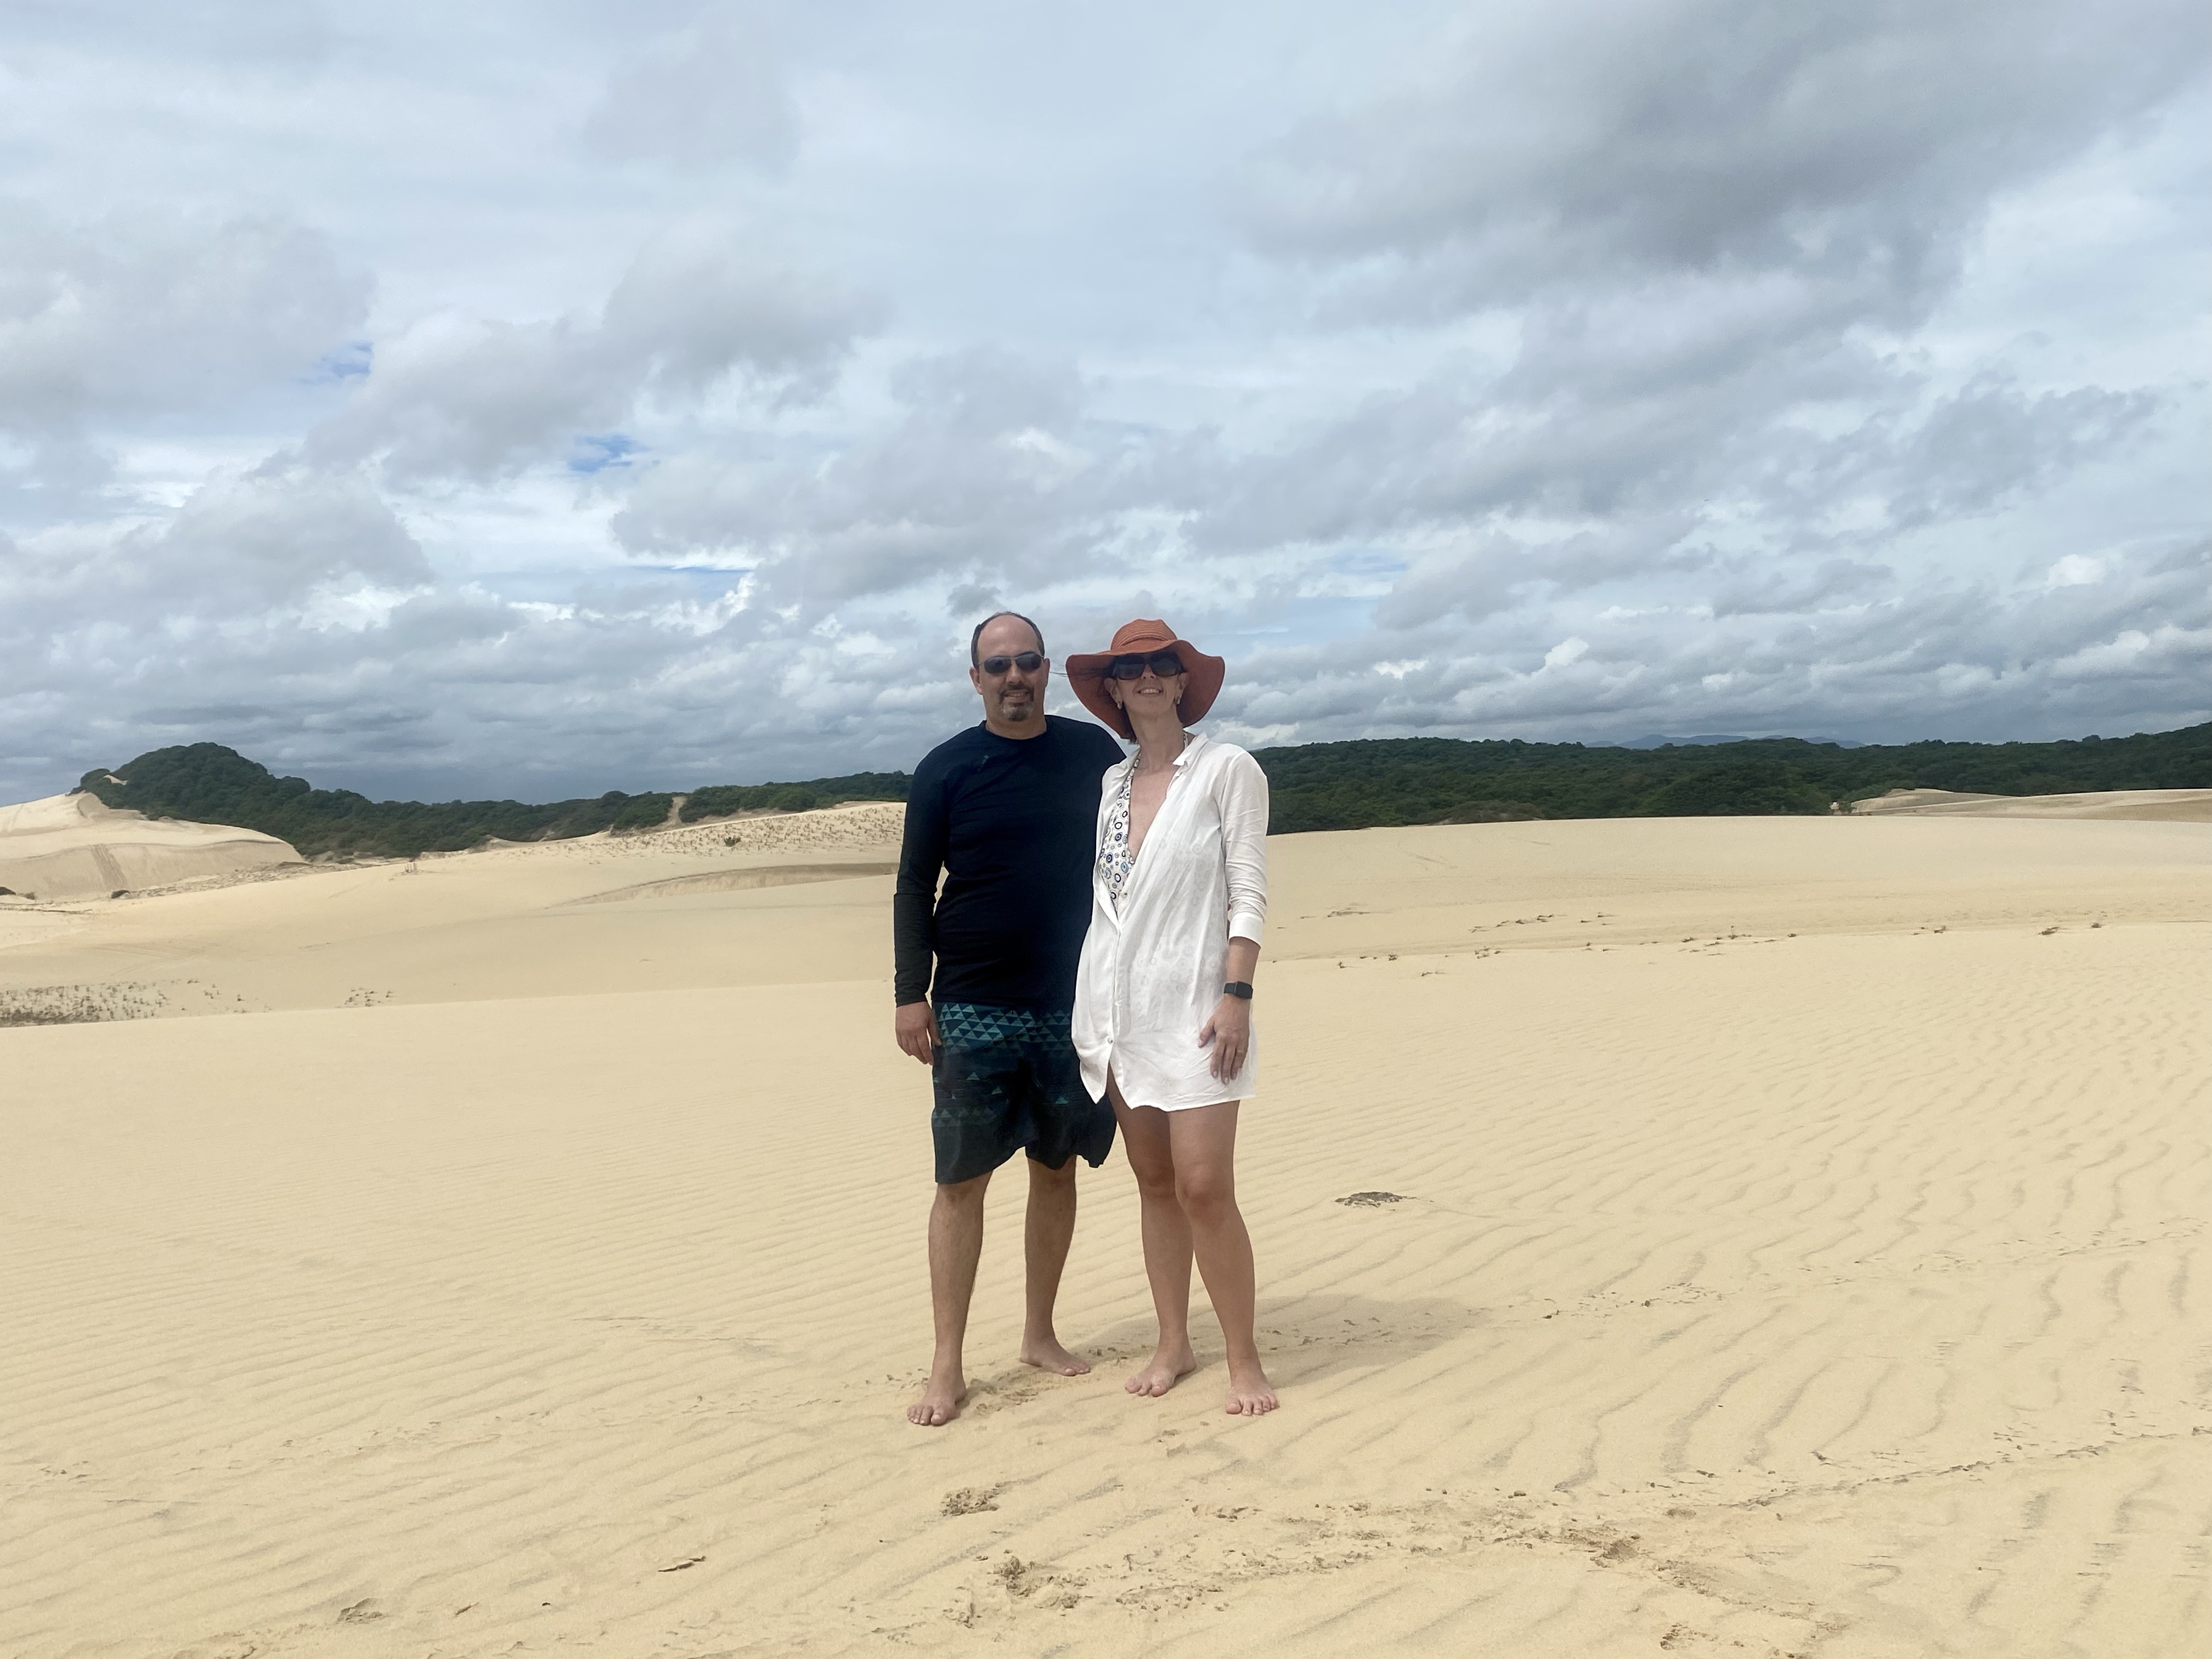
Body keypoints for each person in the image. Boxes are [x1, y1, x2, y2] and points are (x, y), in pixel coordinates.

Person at [893, 611, 1128, 1427]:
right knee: (960, 1180)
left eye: (1027, 661)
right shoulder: (946, 768)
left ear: (1047, 669)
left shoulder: (1094, 754)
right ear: (976, 679)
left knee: (1057, 1168)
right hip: (972, 1003)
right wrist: (911, 993)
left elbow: (1134, 857)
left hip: (1075, 1001)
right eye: (998, 666)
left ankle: (1039, 1334)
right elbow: (914, 885)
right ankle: (947, 1363)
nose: (1014, 676)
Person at [1065, 619, 1278, 1417]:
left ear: (1184, 680)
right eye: (1131, 669)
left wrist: (1238, 996)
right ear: (1115, 690)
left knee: (1205, 1186)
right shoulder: (1111, 785)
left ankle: (1244, 1360)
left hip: (1199, 1009)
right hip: (1119, 1013)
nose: (1148, 676)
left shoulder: (1228, 769)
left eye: (1162, 664)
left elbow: (1248, 890)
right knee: (1154, 1182)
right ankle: (1173, 1343)